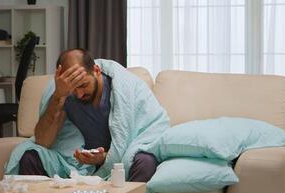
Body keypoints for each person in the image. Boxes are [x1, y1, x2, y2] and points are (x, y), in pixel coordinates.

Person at [12, 48, 169, 182]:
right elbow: (43, 141)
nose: (79, 94)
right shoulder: (62, 93)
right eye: (73, 89)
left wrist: (105, 157)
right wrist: (59, 96)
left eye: (83, 85)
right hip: (74, 164)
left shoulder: (124, 86)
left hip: (118, 159)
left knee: (145, 162)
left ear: (96, 70)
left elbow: (150, 130)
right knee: (30, 157)